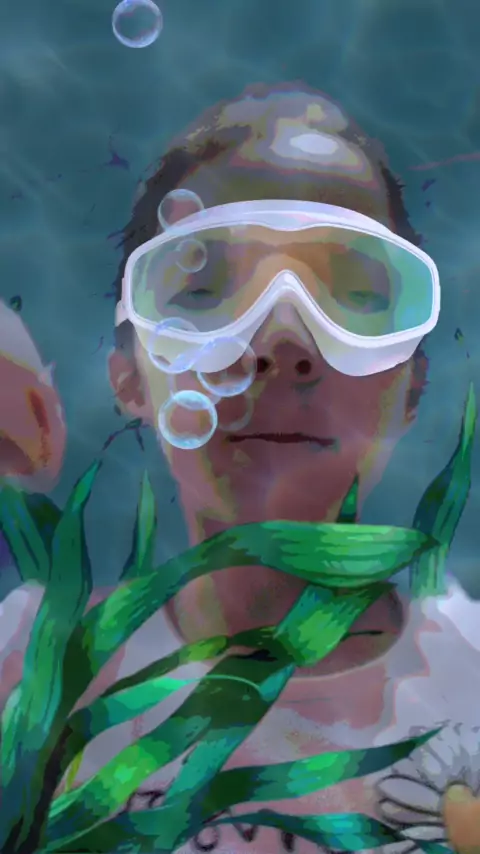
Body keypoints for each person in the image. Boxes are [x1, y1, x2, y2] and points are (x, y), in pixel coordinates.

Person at [1, 82, 480, 854]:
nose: (282, 342)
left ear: (412, 387)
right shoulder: (23, 667)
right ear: (128, 376)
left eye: (356, 295)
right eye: (203, 293)